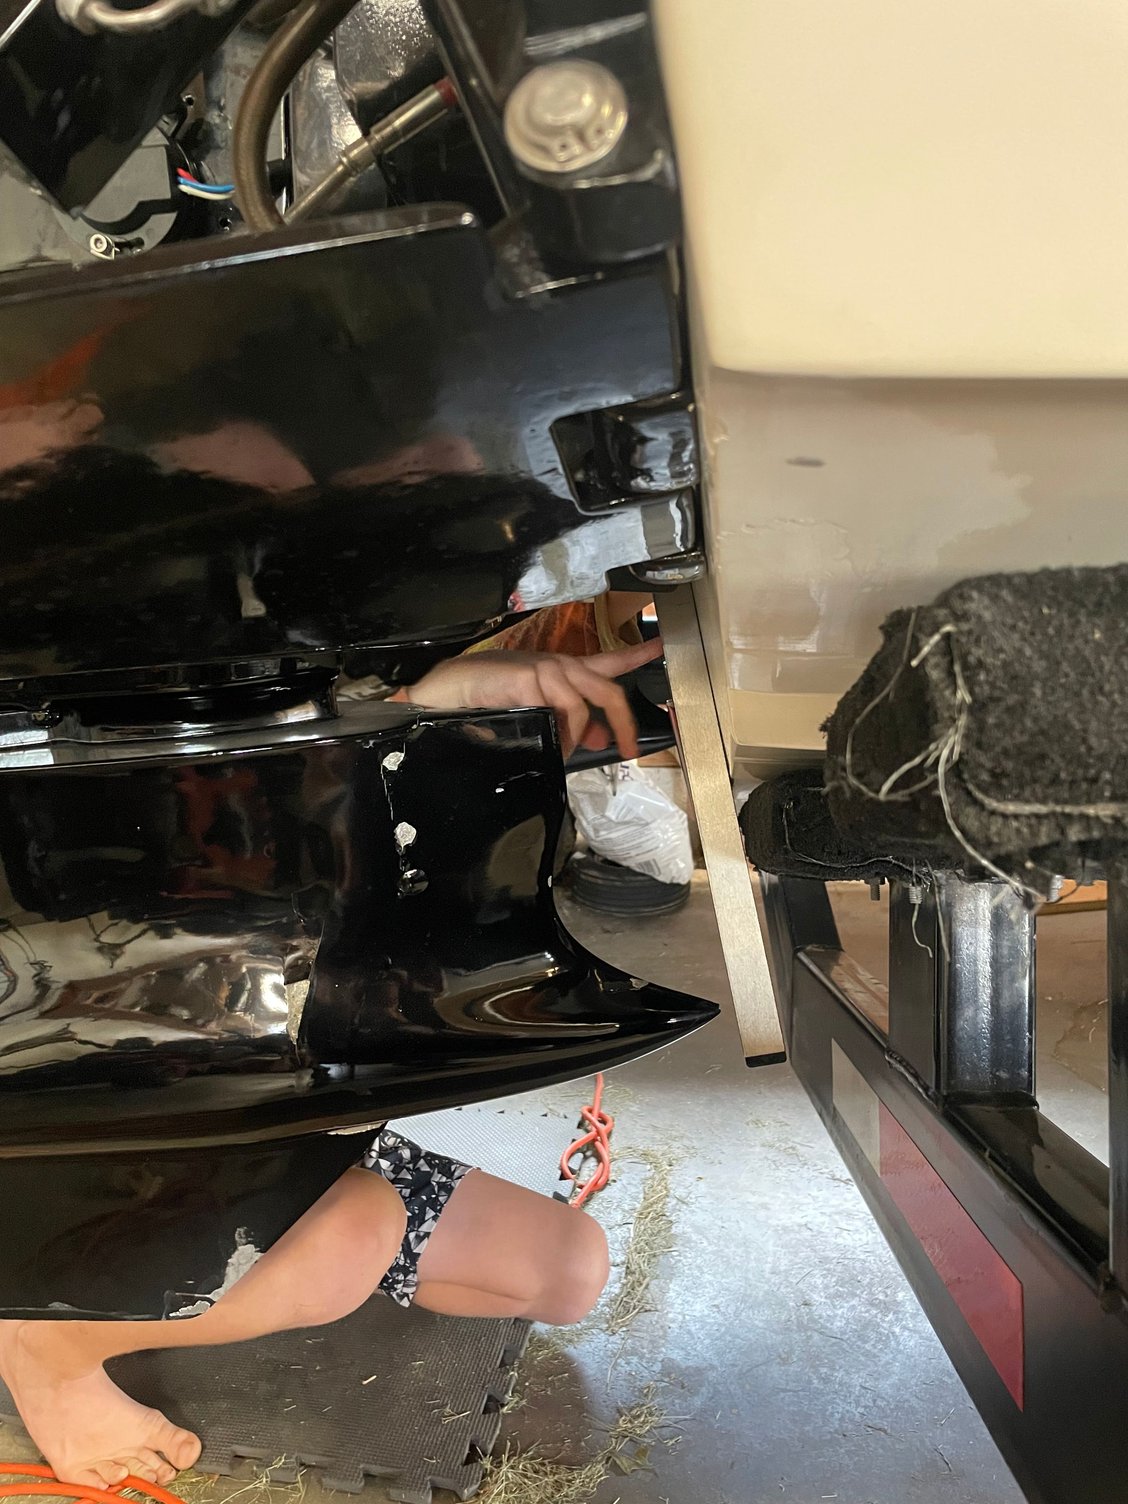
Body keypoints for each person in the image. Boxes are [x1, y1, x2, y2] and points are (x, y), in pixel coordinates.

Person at [0, 634, 662, 1491]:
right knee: (355, 1233)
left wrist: (417, 709)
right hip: (64, 1128)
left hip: (260, 1102)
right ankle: (44, 1347)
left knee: (568, 1272)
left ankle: (301, 1216)